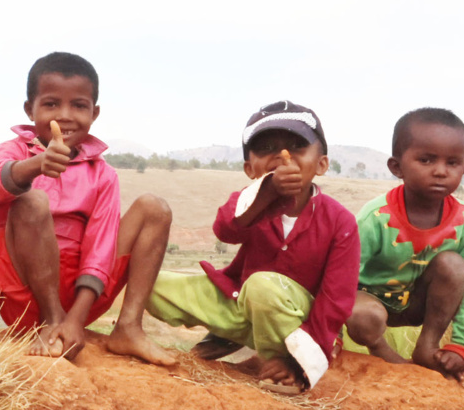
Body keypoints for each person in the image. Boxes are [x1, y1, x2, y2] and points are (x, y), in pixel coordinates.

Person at [146, 101, 360, 393]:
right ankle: (232, 334)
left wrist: (313, 349)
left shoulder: (340, 222)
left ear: (321, 163)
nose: (283, 156)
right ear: (250, 168)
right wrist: (267, 193)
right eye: (266, 148)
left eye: (297, 146)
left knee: (262, 287)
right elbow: (225, 230)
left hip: (296, 322)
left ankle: (282, 361)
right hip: (243, 306)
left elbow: (336, 300)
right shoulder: (249, 203)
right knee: (150, 283)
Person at [0, 52, 176, 366]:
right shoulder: (14, 151)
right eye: (51, 104)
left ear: (94, 112)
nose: (66, 115)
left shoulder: (103, 174)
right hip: (24, 290)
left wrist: (77, 319)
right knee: (31, 200)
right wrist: (35, 165)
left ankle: (128, 327)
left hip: (82, 298)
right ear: (30, 109)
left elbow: (101, 248)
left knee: (155, 208)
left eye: (79, 105)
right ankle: (50, 318)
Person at [345, 108, 464, 381]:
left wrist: (463, 345)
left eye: (452, 163)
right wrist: (327, 338)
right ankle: (382, 351)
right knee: (361, 313)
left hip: (419, 303)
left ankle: (427, 347)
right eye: (426, 160)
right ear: (397, 167)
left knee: (455, 266)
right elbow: (339, 276)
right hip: (370, 304)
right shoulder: (376, 218)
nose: (440, 171)